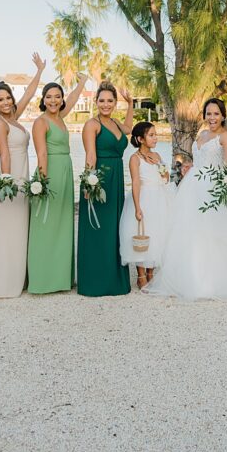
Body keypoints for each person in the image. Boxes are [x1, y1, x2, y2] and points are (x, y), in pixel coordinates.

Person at [145, 99, 227, 301]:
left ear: (222, 116)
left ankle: (212, 281)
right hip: (193, 185)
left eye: (216, 114)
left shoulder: (224, 136)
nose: (212, 118)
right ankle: (188, 277)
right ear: (204, 115)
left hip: (213, 187)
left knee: (211, 232)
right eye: (209, 114)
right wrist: (189, 165)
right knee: (189, 231)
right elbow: (201, 158)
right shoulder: (202, 134)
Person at [0, 53, 46, 298]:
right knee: (5, 229)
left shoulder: (14, 117)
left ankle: (17, 278)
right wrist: (8, 183)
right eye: (1, 99)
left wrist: (40, 71)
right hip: (8, 177)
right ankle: (3, 283)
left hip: (21, 174)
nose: (6, 102)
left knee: (19, 228)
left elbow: (30, 94)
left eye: (8, 97)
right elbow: (4, 156)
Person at [27, 74, 88, 293]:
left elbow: (72, 100)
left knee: (62, 225)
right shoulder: (40, 122)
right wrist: (42, 184)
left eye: (58, 97)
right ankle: (42, 279)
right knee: (46, 224)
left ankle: (60, 277)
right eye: (49, 97)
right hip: (50, 173)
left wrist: (81, 83)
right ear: (43, 100)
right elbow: (41, 154)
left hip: (65, 172)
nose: (54, 101)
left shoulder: (60, 117)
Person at [77, 82, 136, 297]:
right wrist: (89, 182)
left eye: (110, 100)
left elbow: (129, 129)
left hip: (117, 179)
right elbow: (90, 155)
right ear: (96, 102)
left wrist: (130, 103)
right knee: (98, 229)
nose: (105, 104)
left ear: (115, 103)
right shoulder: (92, 124)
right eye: (101, 100)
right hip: (99, 180)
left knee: (113, 228)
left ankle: (114, 280)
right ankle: (94, 282)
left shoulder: (116, 123)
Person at [119, 122, 175, 288]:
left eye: (155, 134)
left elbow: (166, 179)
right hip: (144, 198)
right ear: (140, 139)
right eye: (151, 135)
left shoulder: (157, 156)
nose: (155, 137)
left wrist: (161, 168)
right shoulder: (134, 159)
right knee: (141, 234)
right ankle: (141, 273)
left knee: (157, 233)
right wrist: (137, 207)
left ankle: (151, 272)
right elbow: (135, 182)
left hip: (160, 197)